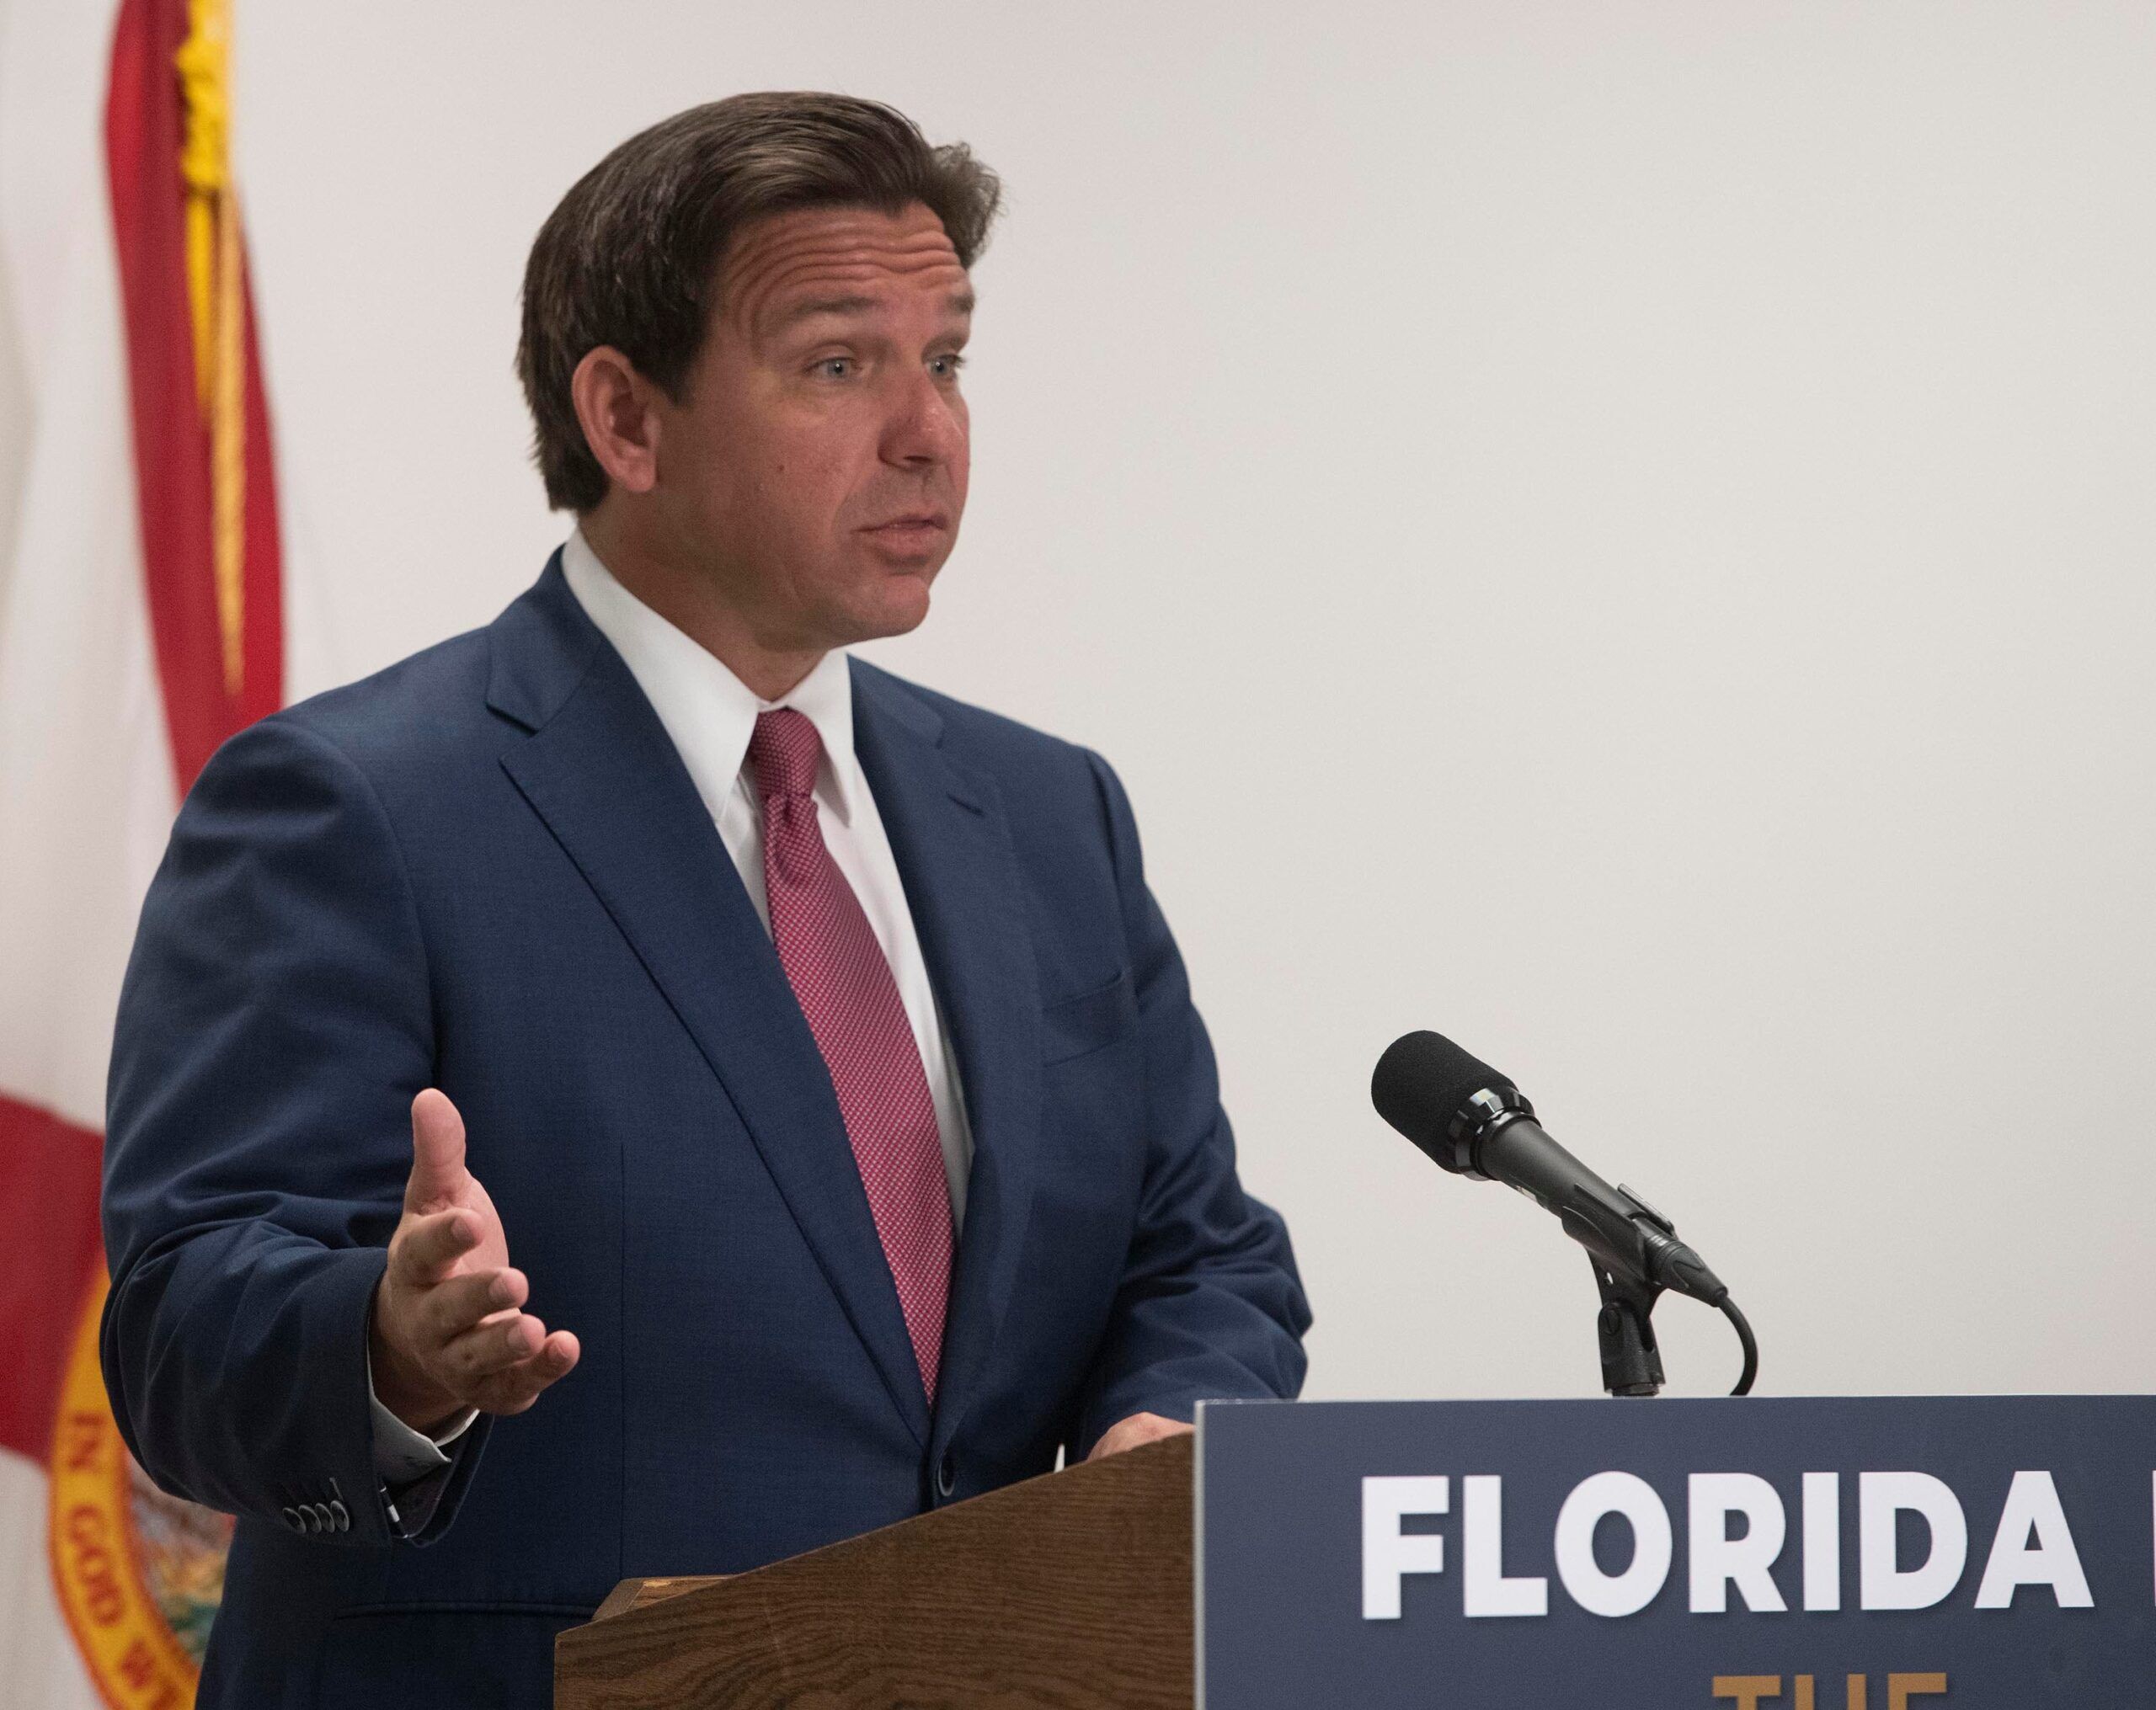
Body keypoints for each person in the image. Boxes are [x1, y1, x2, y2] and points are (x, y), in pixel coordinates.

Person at [99, 91, 1310, 1707]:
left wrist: (1163, 1438)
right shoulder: (353, 806)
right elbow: (182, 1326)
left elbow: (1198, 1256)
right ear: (626, 419)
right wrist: (387, 1350)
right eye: (836, 363)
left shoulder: (1044, 815)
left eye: (944, 357)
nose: (927, 432)